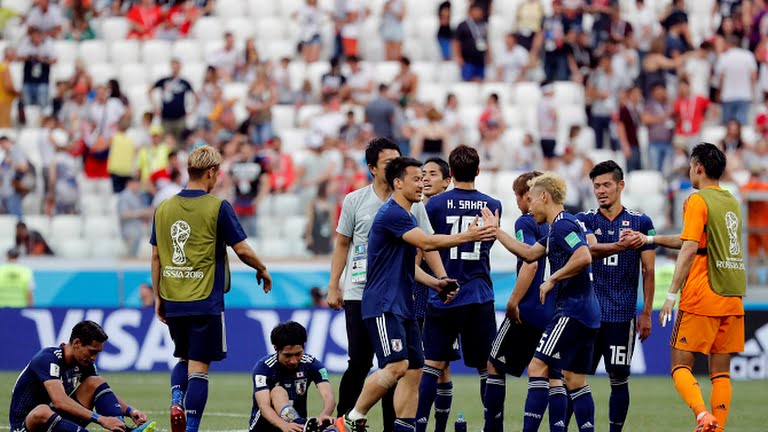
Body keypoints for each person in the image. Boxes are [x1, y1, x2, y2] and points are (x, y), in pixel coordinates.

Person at [336, 156, 497, 432]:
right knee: (397, 366)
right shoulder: (392, 214)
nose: (422, 183)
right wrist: (467, 236)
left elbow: (409, 265)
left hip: (403, 305)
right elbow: (426, 241)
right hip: (383, 305)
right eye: (415, 178)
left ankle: (404, 428)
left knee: (414, 370)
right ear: (397, 183)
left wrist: (436, 283)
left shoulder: (408, 214)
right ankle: (352, 418)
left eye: (424, 178)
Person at [623, 143, 745, 432]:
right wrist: (650, 240)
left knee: (679, 366)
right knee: (720, 372)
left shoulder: (697, 200)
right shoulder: (730, 201)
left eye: (691, 166)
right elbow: (694, 240)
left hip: (703, 294)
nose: (690, 171)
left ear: (698, 167)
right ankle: (718, 427)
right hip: (732, 296)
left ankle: (703, 416)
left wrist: (670, 295)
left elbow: (690, 248)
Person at [151, 145, 273, 432]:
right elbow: (241, 248)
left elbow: (156, 256)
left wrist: (158, 297)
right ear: (210, 172)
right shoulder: (218, 207)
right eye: (217, 173)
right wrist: (262, 268)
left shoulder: (163, 207)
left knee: (183, 356)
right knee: (199, 367)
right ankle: (190, 428)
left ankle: (177, 398)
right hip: (204, 299)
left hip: (173, 297)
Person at [326, 138, 437, 432]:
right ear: (372, 168)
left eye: (398, 161)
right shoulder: (354, 201)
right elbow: (342, 244)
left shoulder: (413, 204)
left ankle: (392, 425)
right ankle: (346, 420)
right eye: (388, 163)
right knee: (360, 362)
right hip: (359, 292)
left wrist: (440, 279)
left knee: (397, 365)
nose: (395, 167)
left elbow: (428, 245)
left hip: (395, 294)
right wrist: (333, 286)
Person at [485, 173, 600, 432]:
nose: (530, 204)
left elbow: (583, 256)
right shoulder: (556, 229)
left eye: (532, 199)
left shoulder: (562, 226)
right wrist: (496, 231)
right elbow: (528, 253)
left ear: (544, 197)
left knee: (538, 365)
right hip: (587, 314)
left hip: (572, 311)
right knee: (573, 378)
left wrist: (552, 279)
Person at [415, 145, 501, 432]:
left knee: (432, 365)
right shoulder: (493, 205)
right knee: (485, 368)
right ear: (478, 171)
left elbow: (425, 247)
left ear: (450, 174)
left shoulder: (434, 205)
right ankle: (491, 426)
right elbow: (488, 242)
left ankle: (420, 426)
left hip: (443, 295)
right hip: (478, 295)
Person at [574, 160, 656, 432]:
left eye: (607, 184)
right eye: (596, 186)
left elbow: (649, 269)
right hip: (589, 315)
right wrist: (621, 246)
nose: (601, 190)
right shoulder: (584, 220)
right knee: (573, 379)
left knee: (619, 378)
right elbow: (591, 250)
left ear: (621, 185)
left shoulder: (642, 222)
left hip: (622, 316)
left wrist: (646, 313)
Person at [482, 171, 564, 432]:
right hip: (556, 311)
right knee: (553, 376)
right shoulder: (561, 223)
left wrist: (513, 302)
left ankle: (492, 429)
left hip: (529, 309)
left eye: (518, 198)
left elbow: (530, 262)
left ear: (525, 196)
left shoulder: (525, 222)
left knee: (494, 365)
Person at [9, 320, 156, 432]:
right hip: (26, 426)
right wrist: (101, 419)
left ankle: (123, 429)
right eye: (92, 352)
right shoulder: (47, 359)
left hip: (57, 421)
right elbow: (60, 401)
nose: (94, 358)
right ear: (77, 343)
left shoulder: (84, 363)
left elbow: (103, 392)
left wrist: (131, 411)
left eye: (97, 353)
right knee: (41, 411)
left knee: (94, 382)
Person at [414, 157, 454, 432]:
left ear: (446, 180)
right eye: (422, 174)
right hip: (423, 293)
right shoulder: (417, 209)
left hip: (441, 294)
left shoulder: (437, 210)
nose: (426, 178)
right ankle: (420, 423)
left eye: (432, 174)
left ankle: (434, 426)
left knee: (440, 366)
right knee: (430, 364)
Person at [249, 321, 336, 432]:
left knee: (334, 426)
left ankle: (304, 427)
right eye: (288, 355)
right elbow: (264, 406)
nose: (293, 361)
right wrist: (283, 425)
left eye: (298, 354)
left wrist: (325, 414)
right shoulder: (263, 368)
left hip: (296, 428)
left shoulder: (312, 364)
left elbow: (329, 396)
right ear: (276, 349)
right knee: (278, 391)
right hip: (265, 427)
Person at [454, 4, 489, 82]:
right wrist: (458, 56)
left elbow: (486, 41)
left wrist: (488, 55)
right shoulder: (463, 25)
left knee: (480, 80)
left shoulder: (483, 25)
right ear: (470, 12)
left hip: (480, 60)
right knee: (469, 81)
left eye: (480, 11)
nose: (479, 13)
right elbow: (456, 41)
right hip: (468, 60)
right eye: (476, 11)